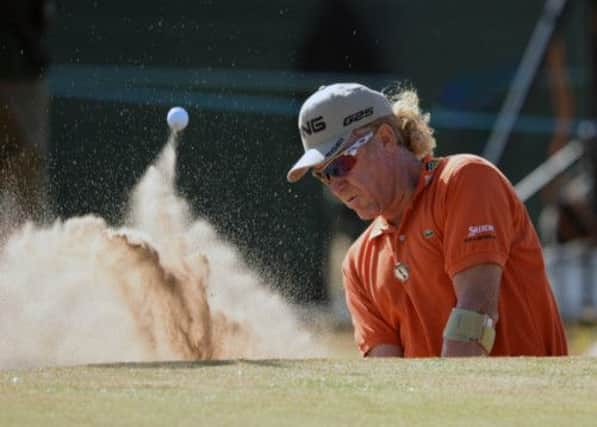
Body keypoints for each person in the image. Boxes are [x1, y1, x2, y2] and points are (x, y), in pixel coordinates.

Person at [287, 83, 568, 357]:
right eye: (322, 174)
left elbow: (477, 312)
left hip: (526, 402)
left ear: (385, 138)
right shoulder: (358, 264)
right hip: (446, 403)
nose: (335, 185)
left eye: (340, 165)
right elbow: (388, 382)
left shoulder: (465, 179)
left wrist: (448, 401)